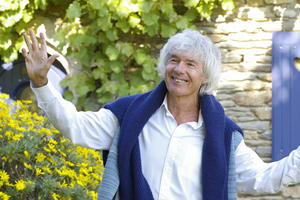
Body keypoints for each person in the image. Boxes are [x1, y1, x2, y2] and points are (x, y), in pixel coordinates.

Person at [22, 29, 300, 200]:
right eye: (174, 60)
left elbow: (265, 178)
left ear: (204, 77)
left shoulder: (225, 137)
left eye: (191, 64)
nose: (179, 69)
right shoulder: (128, 115)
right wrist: (42, 84)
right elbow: (74, 126)